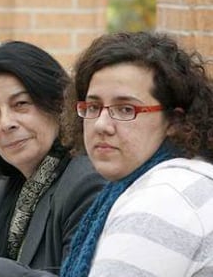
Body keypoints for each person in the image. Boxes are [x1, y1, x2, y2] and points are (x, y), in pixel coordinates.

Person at [59, 31, 213, 277]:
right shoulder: (183, 179)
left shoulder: (162, 200)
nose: (101, 125)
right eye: (93, 106)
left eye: (125, 109)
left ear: (174, 120)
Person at [0, 41, 106, 277]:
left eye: (20, 104)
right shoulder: (8, 185)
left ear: (58, 102)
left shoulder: (86, 182)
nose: (6, 123)